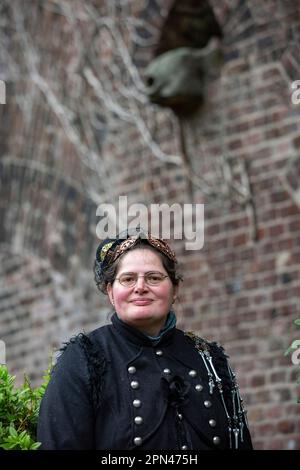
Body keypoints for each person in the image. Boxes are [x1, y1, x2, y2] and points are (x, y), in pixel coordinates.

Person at [37, 229, 253, 450]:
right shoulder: (84, 358)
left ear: (175, 289)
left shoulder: (208, 358)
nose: (140, 287)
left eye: (154, 277)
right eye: (128, 279)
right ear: (111, 292)